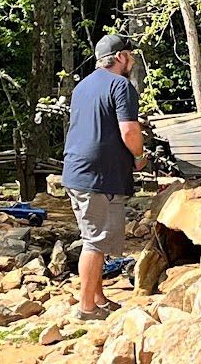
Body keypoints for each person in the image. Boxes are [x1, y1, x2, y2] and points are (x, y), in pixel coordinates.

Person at [61, 34, 146, 321]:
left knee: (98, 238)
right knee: (94, 241)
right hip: (96, 175)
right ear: (120, 57)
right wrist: (139, 157)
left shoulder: (82, 86)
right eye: (130, 55)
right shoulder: (121, 85)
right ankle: (86, 308)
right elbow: (129, 132)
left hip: (78, 171)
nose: (132, 60)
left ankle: (98, 298)